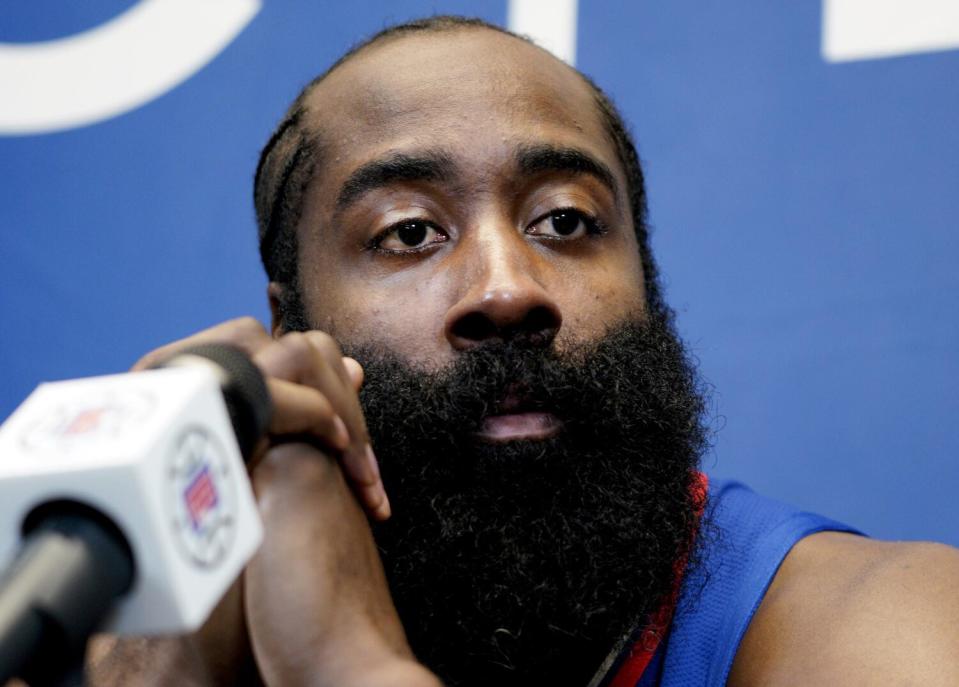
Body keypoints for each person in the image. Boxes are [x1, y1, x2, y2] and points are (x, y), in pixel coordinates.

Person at [86, 16, 959, 687]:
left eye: (564, 222)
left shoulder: (892, 630)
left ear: (647, 284)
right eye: (409, 232)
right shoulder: (117, 620)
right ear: (291, 332)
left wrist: (344, 664)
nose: (506, 288)